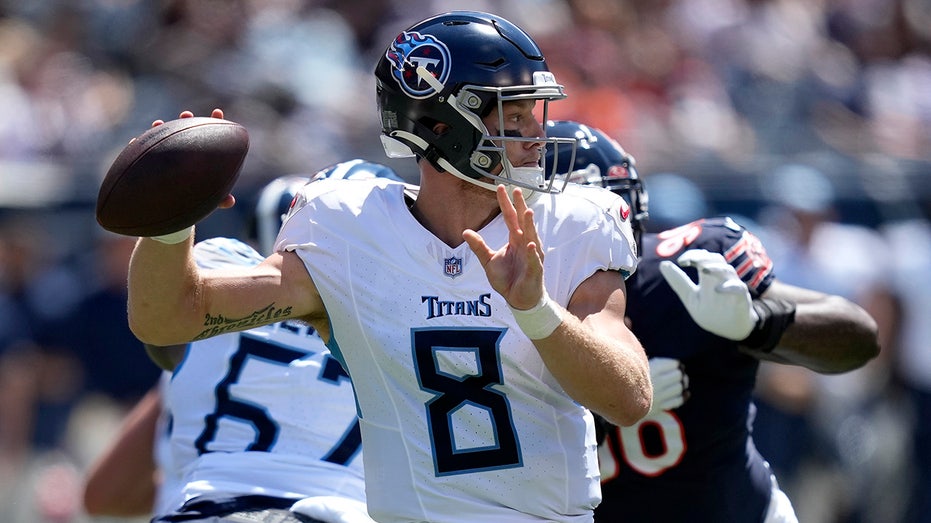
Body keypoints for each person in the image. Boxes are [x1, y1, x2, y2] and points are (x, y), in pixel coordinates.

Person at [124, 10, 651, 523]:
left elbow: (630, 398)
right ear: (443, 126)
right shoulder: (348, 226)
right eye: (512, 117)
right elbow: (170, 318)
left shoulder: (575, 222)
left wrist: (537, 312)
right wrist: (170, 224)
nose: (535, 135)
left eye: (532, 113)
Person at [544, 120, 881, 522]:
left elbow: (860, 338)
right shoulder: (493, 303)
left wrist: (756, 324)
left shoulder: (688, 270)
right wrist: (607, 405)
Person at [84, 160, 403, 523]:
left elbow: (160, 332)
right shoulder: (412, 314)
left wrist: (171, 219)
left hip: (209, 506)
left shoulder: (220, 263)